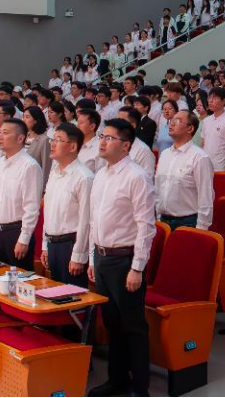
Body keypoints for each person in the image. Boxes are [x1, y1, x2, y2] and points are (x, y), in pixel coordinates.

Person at [87, 118, 155, 398]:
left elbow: (146, 226)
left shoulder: (137, 176)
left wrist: (137, 267)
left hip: (125, 261)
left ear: (126, 146)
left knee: (133, 327)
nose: (102, 142)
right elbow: (94, 220)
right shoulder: (101, 174)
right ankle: (117, 380)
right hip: (102, 257)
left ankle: (140, 387)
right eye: (101, 136)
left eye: (109, 138)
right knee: (112, 324)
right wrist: (92, 258)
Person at [41, 123, 94, 288]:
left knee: (73, 295)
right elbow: (48, 212)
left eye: (58, 140)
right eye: (53, 139)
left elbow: (86, 220)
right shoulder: (54, 173)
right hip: (53, 243)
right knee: (55, 294)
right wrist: (45, 245)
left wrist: (78, 255)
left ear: (72, 147)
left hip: (70, 245)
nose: (53, 144)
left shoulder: (84, 177)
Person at [0, 119, 44, 270]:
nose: (0, 136)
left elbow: (31, 207)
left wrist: (24, 239)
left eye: (5, 133)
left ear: (20, 138)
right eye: (0, 132)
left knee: (19, 279)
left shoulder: (29, 166)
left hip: (16, 232)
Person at [155, 110, 214, 230]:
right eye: (172, 120)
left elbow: (206, 196)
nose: (171, 123)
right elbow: (158, 188)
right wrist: (158, 216)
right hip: (163, 221)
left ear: (190, 128)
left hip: (187, 222)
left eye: (177, 121)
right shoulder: (165, 154)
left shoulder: (199, 157)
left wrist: (201, 228)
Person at [200, 87, 225, 172]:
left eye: (214, 98)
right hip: (205, 165)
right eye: (209, 98)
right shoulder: (206, 120)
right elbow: (203, 143)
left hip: (220, 167)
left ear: (223, 101)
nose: (210, 101)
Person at [23, 106, 52, 185]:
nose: (24, 120)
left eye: (27, 117)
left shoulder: (44, 140)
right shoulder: (23, 137)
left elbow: (46, 166)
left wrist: (42, 187)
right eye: (23, 117)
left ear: (35, 120)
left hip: (33, 182)